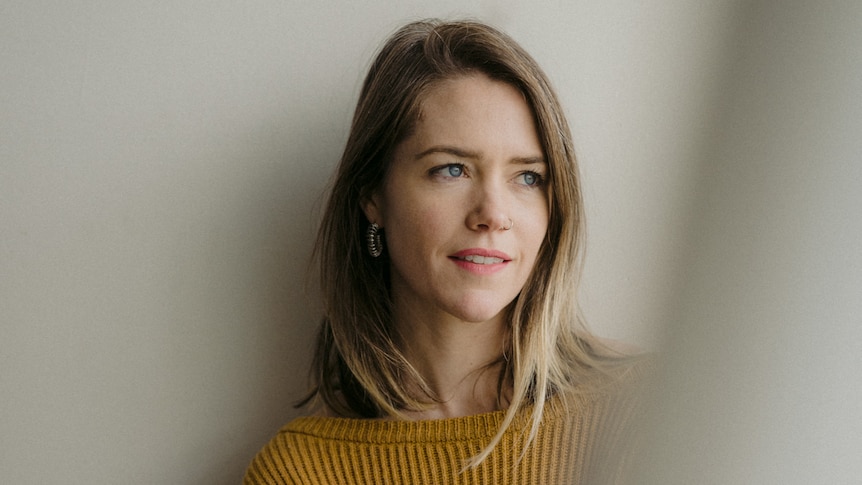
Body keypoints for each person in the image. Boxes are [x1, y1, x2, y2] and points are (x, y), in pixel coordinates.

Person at [244, 19, 647, 485]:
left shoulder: (646, 410)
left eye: (528, 177)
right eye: (452, 169)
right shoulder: (300, 473)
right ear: (373, 195)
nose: (494, 213)